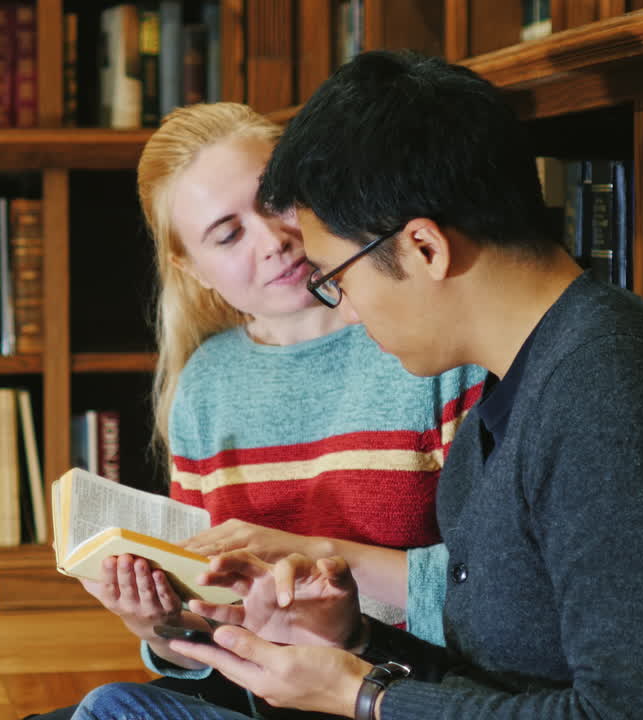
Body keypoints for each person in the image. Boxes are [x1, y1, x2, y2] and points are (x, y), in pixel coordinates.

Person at [68, 51, 643, 720]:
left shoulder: (615, 394)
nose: (344, 307)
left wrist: (359, 693)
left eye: (338, 279)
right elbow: (497, 671)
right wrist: (350, 639)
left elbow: (638, 711)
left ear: (423, 247)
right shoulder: (536, 380)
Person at [26, 102, 485, 720]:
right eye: (228, 233)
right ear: (193, 269)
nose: (273, 241)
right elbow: (213, 633)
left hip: (406, 691)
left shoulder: (431, 343)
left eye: (276, 201)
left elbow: (497, 592)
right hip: (261, 698)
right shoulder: (206, 383)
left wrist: (307, 555)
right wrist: (161, 625)